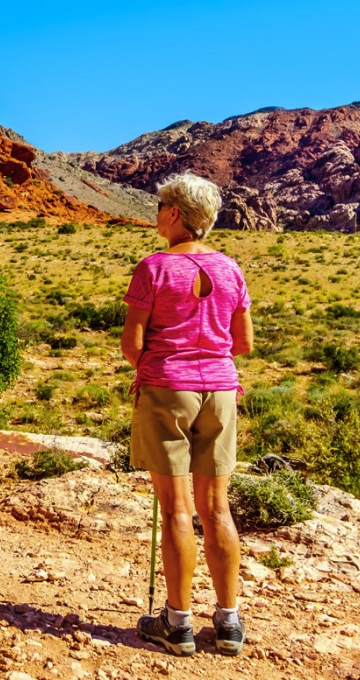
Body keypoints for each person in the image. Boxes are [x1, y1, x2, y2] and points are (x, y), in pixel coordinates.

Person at [121, 172, 253, 657]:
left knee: (177, 509)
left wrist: (160, 366)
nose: (157, 215)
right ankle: (229, 621)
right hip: (220, 390)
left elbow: (131, 345)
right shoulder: (231, 269)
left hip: (166, 388)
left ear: (174, 214)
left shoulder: (152, 268)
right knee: (217, 508)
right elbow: (244, 344)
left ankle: (177, 623)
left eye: (160, 208)